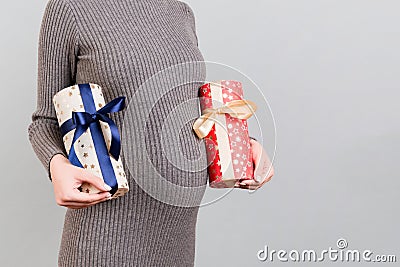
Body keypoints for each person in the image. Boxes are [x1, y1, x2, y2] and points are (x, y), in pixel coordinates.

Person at [27, 0, 274, 266]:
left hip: (178, 237)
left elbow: (181, 110)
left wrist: (244, 146)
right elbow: (44, 121)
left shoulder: (180, 12)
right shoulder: (71, 8)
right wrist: (56, 164)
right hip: (105, 234)